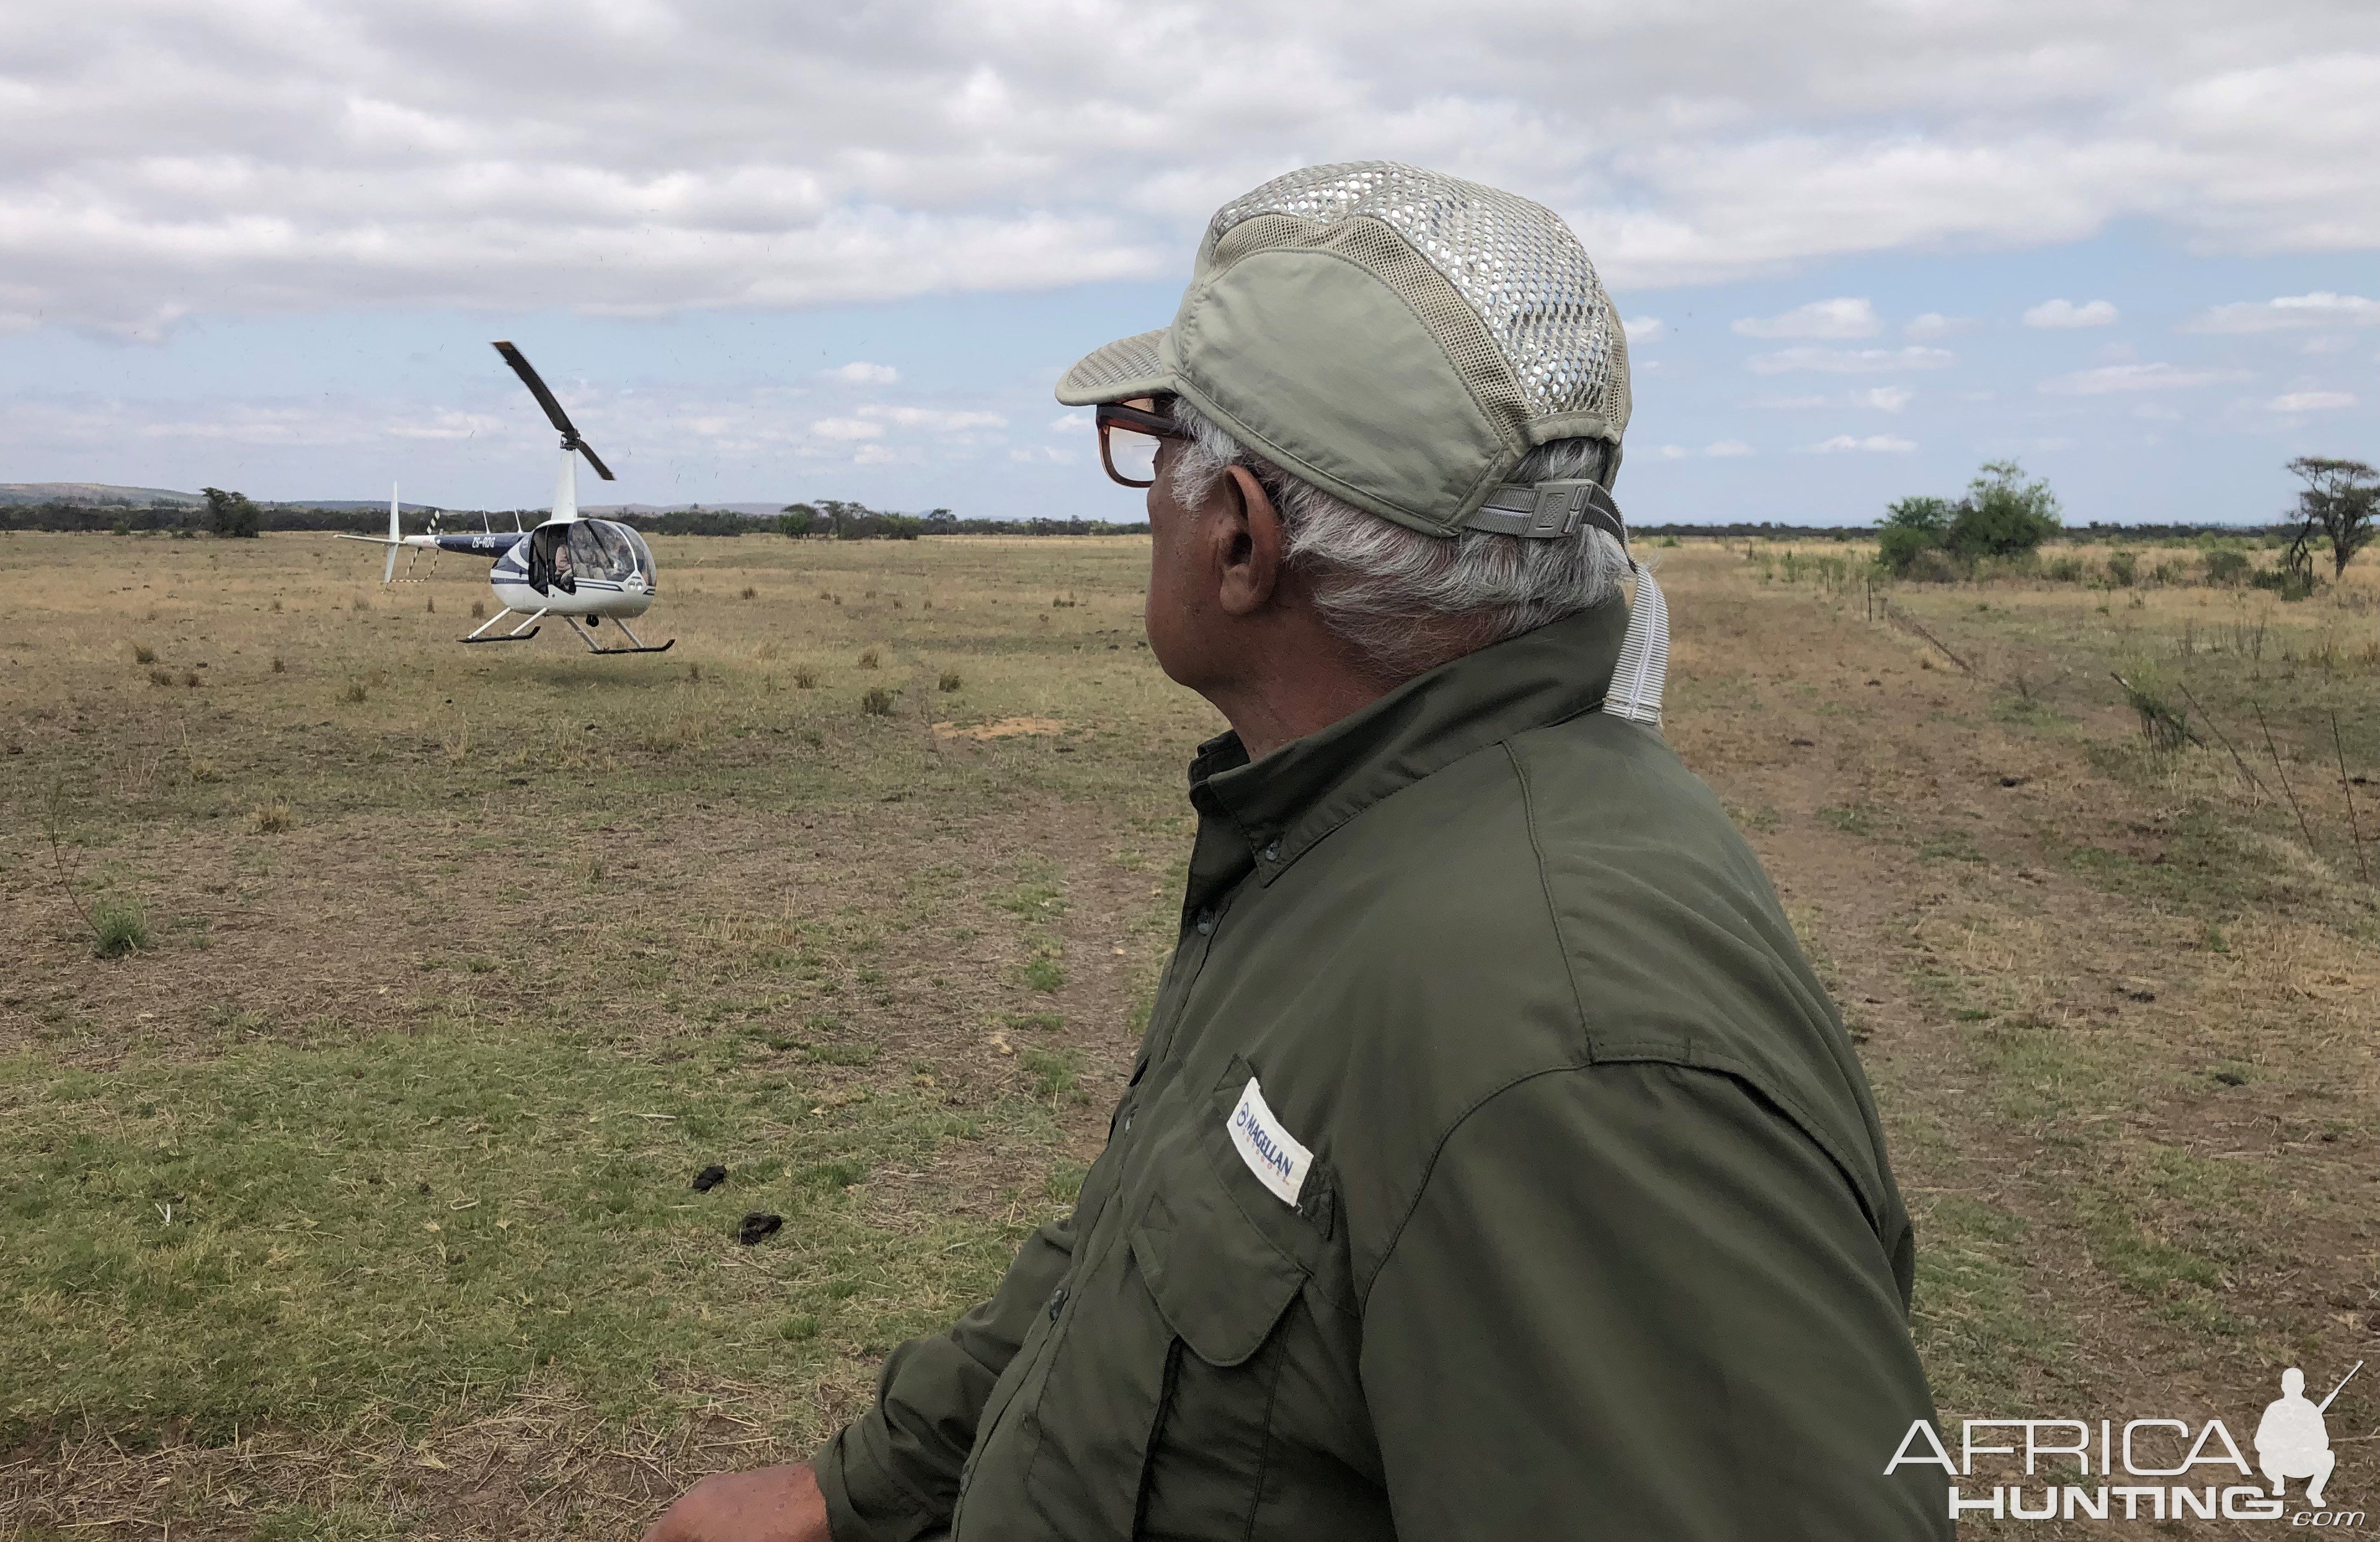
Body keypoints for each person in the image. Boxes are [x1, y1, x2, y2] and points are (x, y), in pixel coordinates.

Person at [645, 162, 1948, 1541]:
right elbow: (1151, 1266)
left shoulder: (1567, 1058)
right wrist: (855, 1494)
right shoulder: (1357, 831)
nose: (1146, 496)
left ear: (1241, 540)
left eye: (1160, 448)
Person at [2255, 1368, 2335, 1507]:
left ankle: (2315, 1492)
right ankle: (2277, 1480)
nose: (2293, 1389)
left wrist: (2307, 1441)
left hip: (2302, 1461)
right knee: (2266, 1456)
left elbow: (2323, 1442)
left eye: (2296, 1386)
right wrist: (2283, 1443)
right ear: (2283, 1387)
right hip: (2279, 1460)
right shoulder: (2275, 1408)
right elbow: (2260, 1441)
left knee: (2328, 1457)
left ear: (2303, 1387)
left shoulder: (2311, 1409)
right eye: (2290, 1386)